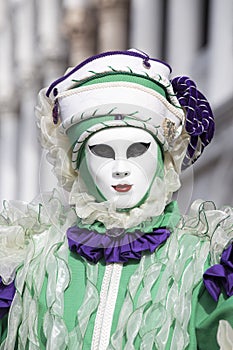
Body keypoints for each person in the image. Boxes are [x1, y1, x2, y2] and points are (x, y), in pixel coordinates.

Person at [0, 49, 232, 350]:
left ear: (163, 159)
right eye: (103, 152)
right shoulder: (32, 263)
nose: (122, 169)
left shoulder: (202, 263)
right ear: (77, 164)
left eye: (137, 150)